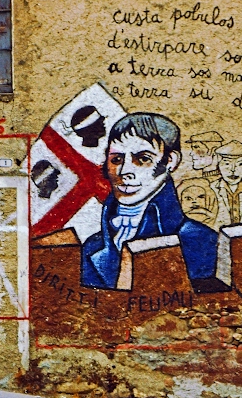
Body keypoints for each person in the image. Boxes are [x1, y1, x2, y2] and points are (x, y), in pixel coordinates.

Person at [81, 113, 219, 290]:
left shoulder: (201, 241)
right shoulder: (91, 246)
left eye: (143, 159)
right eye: (116, 159)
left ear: (170, 161)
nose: (124, 171)